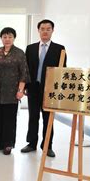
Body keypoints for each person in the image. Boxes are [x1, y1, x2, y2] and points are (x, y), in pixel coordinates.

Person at [21, 19, 67, 158]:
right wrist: (24, 86)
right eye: (42, 28)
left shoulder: (60, 49)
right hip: (33, 88)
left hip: (50, 90)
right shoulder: (30, 48)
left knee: (48, 118)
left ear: (53, 30)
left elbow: (62, 70)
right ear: (38, 30)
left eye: (48, 29)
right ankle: (31, 143)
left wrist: (58, 90)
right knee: (33, 117)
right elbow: (25, 69)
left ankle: (48, 146)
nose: (45, 31)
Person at [0, 27, 29, 155]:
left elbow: (24, 74)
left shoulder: (19, 53)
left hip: (12, 92)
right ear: (1, 38)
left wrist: (20, 90)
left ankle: (8, 144)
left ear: (14, 38)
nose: (7, 39)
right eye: (4, 37)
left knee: (9, 119)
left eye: (10, 37)